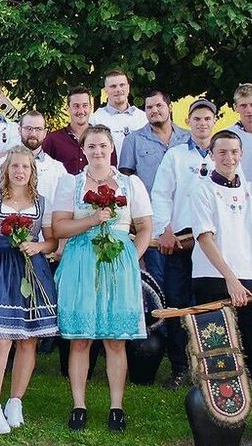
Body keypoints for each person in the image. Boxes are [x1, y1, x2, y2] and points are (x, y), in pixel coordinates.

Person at [51, 126, 152, 432]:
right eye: (91, 146)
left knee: (115, 340)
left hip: (117, 262)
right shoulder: (71, 183)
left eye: (103, 146)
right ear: (83, 150)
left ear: (112, 148)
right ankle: (78, 405)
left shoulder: (130, 184)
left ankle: (116, 407)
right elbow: (59, 228)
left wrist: (130, 259)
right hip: (81, 261)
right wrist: (93, 219)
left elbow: (145, 226)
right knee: (80, 340)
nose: (97, 151)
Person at [190, 130, 252, 436]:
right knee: (217, 348)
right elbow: (205, 238)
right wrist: (230, 280)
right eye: (222, 152)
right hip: (212, 278)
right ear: (213, 155)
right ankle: (220, 414)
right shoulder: (202, 190)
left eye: (234, 152)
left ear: (241, 154)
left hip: (249, 279)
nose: (229, 158)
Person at [0, 146, 59, 434]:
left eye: (25, 167)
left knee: (28, 340)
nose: (20, 171)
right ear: (6, 170)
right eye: (15, 167)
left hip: (33, 271)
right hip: (1, 269)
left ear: (32, 171)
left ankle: (15, 401)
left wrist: (37, 246)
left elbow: (52, 242)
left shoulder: (42, 203)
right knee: (1, 340)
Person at [150, 98, 220, 388]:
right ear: (188, 122)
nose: (202, 123)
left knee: (209, 303)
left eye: (207, 118)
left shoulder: (224, 154)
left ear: (215, 121)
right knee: (178, 303)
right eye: (197, 119)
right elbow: (162, 193)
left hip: (213, 244)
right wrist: (164, 230)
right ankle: (179, 367)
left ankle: (211, 364)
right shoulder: (176, 155)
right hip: (180, 242)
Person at [119, 88, 188, 287]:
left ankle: (182, 319)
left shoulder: (187, 138)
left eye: (159, 105)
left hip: (183, 223)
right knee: (155, 282)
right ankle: (159, 318)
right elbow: (126, 181)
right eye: (149, 107)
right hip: (151, 223)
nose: (154, 110)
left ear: (170, 107)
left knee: (182, 283)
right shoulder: (134, 140)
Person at [0, 110, 67, 212]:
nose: (33, 133)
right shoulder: (1, 165)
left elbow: (63, 208)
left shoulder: (57, 169)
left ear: (45, 133)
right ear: (19, 130)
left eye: (38, 129)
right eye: (28, 128)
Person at [42, 88, 95, 175]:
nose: (81, 111)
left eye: (85, 105)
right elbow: (42, 171)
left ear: (90, 108)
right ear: (68, 108)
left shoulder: (102, 139)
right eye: (76, 106)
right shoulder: (53, 140)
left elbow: (111, 172)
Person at [93, 69, 147, 153]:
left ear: (128, 88)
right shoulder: (96, 120)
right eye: (113, 86)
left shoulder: (143, 118)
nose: (118, 89)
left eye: (122, 85)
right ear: (105, 90)